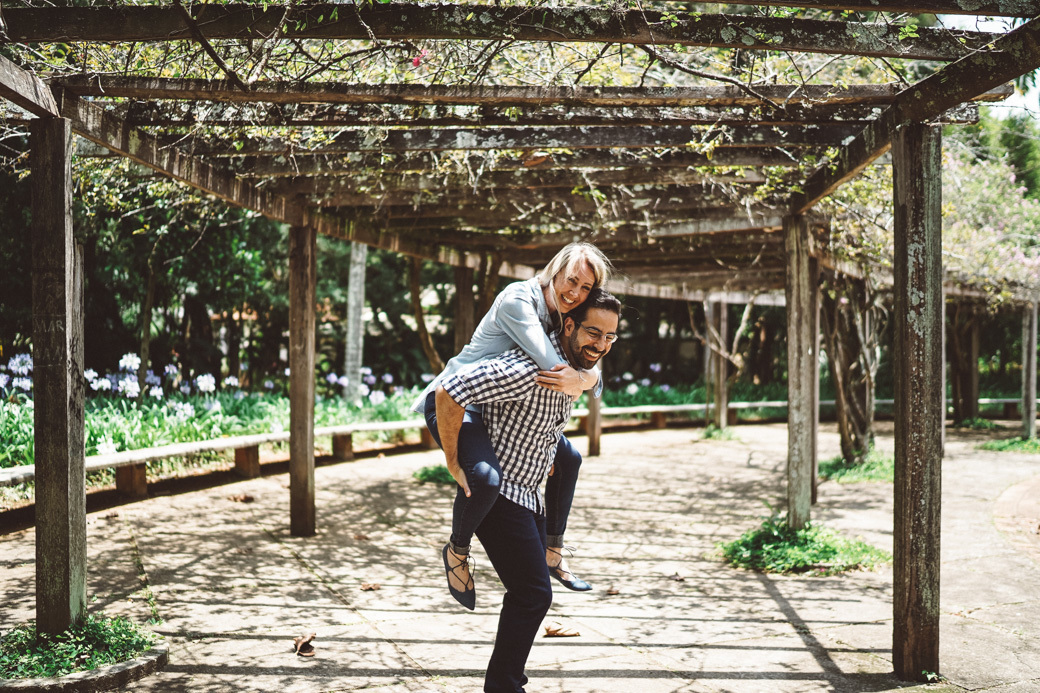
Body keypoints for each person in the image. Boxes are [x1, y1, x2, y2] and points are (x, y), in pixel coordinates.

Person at [431, 289, 622, 693]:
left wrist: (549, 442)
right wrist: (454, 458)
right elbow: (449, 390)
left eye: (610, 337)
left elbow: (578, 392)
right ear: (568, 325)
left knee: (531, 594)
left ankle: (506, 681)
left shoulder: (575, 366)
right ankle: (504, 686)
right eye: (593, 333)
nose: (601, 345)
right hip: (502, 495)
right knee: (533, 595)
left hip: (531, 489)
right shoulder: (529, 367)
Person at [413, 242, 612, 608]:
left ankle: (554, 550)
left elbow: (583, 364)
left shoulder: (565, 308)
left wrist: (585, 379)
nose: (576, 293)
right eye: (572, 281)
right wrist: (453, 459)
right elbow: (554, 367)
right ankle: (457, 550)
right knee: (486, 479)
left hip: (490, 405)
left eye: (586, 288)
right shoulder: (517, 300)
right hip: (453, 400)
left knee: (569, 459)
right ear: (554, 271)